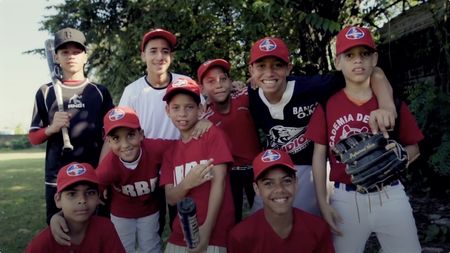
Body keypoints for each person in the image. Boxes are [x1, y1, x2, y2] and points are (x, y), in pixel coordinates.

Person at [247, 36, 397, 216]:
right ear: (251, 70)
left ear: (289, 68)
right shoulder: (248, 96)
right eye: (261, 66)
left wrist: (387, 104)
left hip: (310, 165)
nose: (269, 73)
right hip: (273, 165)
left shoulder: (311, 87)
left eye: (277, 65)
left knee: (305, 220)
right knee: (260, 219)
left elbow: (374, 71)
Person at [305, 26, 422, 253]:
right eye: (349, 55)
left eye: (364, 54)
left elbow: (415, 148)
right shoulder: (328, 106)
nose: (358, 61)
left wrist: (396, 159)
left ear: (374, 59)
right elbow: (319, 157)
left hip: (390, 194)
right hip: (344, 198)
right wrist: (322, 202)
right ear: (338, 62)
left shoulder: (392, 105)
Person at [28, 27, 114, 224]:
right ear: (56, 57)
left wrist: (103, 173)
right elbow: (33, 137)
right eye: (64, 52)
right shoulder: (45, 92)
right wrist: (51, 128)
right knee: (60, 231)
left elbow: (110, 135)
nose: (71, 56)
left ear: (85, 56)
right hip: (57, 176)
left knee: (98, 230)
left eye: (76, 51)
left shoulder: (99, 92)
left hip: (94, 176)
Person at [160, 77, 235, 253]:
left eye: (189, 107)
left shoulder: (212, 135)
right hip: (180, 234)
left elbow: (220, 182)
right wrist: (188, 183)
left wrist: (206, 230)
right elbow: (170, 198)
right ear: (167, 111)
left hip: (213, 232)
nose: (182, 114)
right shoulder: (170, 153)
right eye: (176, 108)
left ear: (201, 109)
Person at [227, 149, 334, 253]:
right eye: (269, 183)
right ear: (257, 189)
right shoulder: (241, 236)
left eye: (286, 181)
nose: (279, 189)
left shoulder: (317, 229)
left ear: (296, 183)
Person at [197, 59, 261, 222]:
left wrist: (256, 78)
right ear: (202, 89)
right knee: (232, 218)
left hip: (256, 168)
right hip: (228, 174)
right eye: (211, 81)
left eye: (223, 79)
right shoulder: (205, 119)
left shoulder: (244, 97)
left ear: (230, 81)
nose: (219, 84)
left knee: (263, 216)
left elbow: (263, 86)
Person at [24, 162, 125, 252]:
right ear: (58, 200)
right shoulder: (42, 244)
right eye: (72, 194)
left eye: (90, 193)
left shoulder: (105, 228)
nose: (82, 200)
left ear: (98, 198)